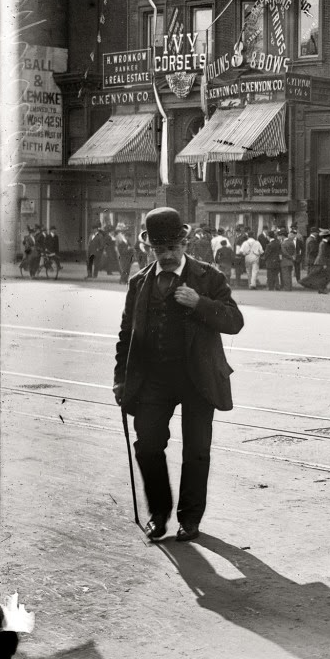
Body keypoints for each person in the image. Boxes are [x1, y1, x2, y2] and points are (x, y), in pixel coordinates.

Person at [112, 207, 244, 542]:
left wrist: (199, 303)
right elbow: (126, 335)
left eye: (173, 248)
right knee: (147, 446)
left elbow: (234, 322)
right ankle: (159, 512)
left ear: (184, 243)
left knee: (197, 450)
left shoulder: (208, 278)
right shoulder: (139, 282)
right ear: (149, 248)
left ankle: (190, 519)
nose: (167, 255)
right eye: (159, 250)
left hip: (197, 377)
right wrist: (120, 379)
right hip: (154, 378)